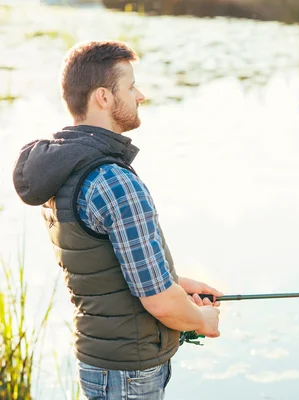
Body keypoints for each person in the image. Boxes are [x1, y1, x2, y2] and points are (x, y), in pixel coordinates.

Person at [12, 40, 222, 399]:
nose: (140, 95)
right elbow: (158, 301)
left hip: (99, 362)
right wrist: (203, 321)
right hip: (130, 371)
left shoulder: (62, 167)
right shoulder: (114, 181)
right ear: (104, 98)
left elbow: (105, 265)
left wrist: (178, 283)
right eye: (131, 86)